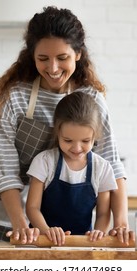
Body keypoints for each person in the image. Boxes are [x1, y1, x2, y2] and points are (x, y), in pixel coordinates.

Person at [0, 6, 134, 245]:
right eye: (43, 58)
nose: (53, 68)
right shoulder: (14, 96)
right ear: (32, 56)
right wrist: (21, 224)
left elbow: (110, 161)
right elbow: (3, 166)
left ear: (78, 54)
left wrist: (121, 221)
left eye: (62, 58)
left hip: (39, 208)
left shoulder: (91, 99)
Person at [26, 91, 117, 246]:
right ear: (57, 133)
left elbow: (103, 213)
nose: (76, 148)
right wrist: (47, 230)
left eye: (85, 141)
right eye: (68, 140)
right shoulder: (44, 161)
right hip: (43, 241)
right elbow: (32, 207)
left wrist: (98, 232)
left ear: (95, 136)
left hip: (82, 245)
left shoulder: (102, 168)